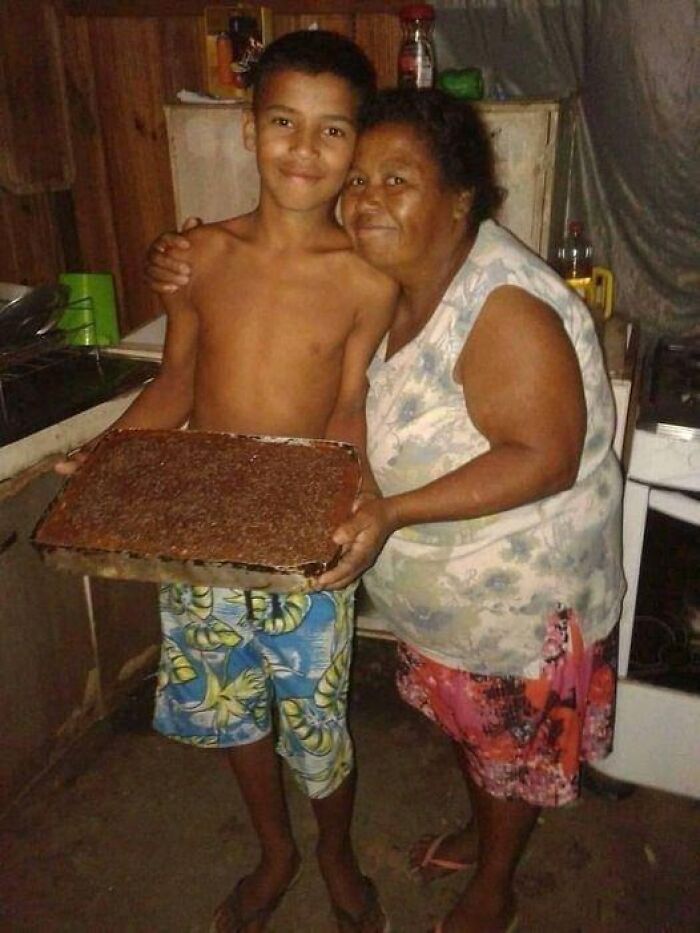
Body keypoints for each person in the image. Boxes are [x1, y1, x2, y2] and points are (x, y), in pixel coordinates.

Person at [148, 89, 625, 933]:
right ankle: (485, 838)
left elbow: (543, 456)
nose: (366, 197)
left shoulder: (505, 304)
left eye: (396, 180)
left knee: (508, 747)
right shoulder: (402, 279)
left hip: (517, 600)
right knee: (475, 733)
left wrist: (393, 510)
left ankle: (495, 886)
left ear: (460, 197)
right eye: (359, 178)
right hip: (444, 593)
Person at [63, 31, 396, 933]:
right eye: (284, 121)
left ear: (356, 146)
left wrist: (336, 514)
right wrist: (102, 457)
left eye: (333, 131)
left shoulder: (367, 279)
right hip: (201, 537)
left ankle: (333, 848)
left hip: (303, 540)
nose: (304, 148)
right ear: (250, 131)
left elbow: (349, 408)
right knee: (230, 704)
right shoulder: (199, 256)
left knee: (318, 719)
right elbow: (174, 385)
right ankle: (274, 848)